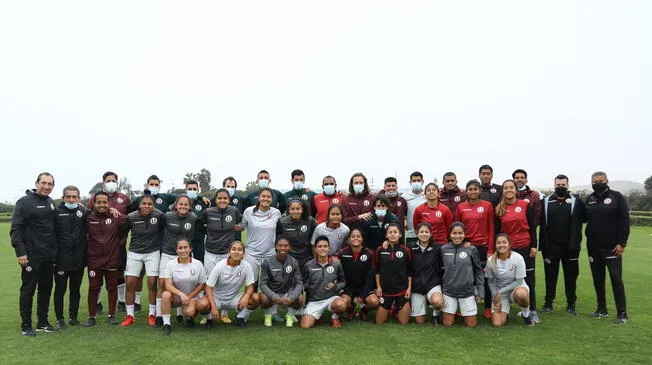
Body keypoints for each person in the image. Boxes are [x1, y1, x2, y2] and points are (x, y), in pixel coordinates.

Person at [11, 172, 58, 336]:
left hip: (48, 256)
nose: (46, 186)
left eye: (50, 184)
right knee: (28, 290)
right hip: (31, 256)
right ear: (36, 183)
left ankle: (42, 323)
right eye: (43, 183)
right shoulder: (24, 202)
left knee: (45, 289)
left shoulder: (51, 203)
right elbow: (16, 229)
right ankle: (26, 325)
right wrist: (21, 252)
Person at [584, 171, 630, 324]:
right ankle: (601, 309)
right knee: (598, 279)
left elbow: (624, 220)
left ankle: (622, 314)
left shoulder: (616, 197)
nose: (598, 183)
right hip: (593, 247)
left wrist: (621, 243)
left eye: (600, 180)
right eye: (595, 181)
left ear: (607, 181)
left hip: (612, 247)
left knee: (616, 279)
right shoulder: (590, 199)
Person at [495, 179, 539, 323]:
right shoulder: (499, 209)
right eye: (505, 188)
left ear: (516, 189)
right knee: (507, 277)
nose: (508, 190)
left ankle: (532, 310)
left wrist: (534, 245)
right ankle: (505, 306)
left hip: (525, 247)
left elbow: (533, 227)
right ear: (503, 191)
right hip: (508, 249)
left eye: (511, 187)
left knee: (529, 279)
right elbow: (498, 231)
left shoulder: (525, 205)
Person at [539, 174, 585, 315]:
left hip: (570, 248)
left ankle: (571, 305)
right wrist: (543, 246)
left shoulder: (576, 202)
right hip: (551, 247)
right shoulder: (546, 201)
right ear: (554, 186)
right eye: (558, 185)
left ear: (568, 185)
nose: (560, 187)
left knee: (571, 277)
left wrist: (576, 242)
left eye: (563, 185)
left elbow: (584, 219)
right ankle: (548, 304)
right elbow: (541, 223)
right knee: (550, 277)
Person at [87, 171, 131, 313]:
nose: (111, 182)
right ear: (104, 182)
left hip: (118, 245)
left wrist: (124, 236)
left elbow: (129, 219)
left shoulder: (124, 199)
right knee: (98, 275)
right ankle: (98, 303)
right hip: (98, 246)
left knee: (119, 273)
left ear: (117, 182)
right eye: (108, 180)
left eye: (114, 180)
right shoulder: (94, 198)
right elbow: (88, 217)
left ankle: (122, 301)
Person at [119, 192, 166, 327]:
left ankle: (152, 314)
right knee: (130, 284)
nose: (147, 206)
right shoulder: (131, 217)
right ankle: (130, 315)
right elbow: (122, 233)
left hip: (153, 252)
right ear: (139, 204)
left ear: (154, 205)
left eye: (150, 204)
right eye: (144, 203)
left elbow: (163, 229)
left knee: (152, 283)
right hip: (135, 252)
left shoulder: (159, 216)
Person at [199, 188, 243, 324]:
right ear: (215, 200)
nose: (222, 201)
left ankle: (224, 312)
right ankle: (206, 315)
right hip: (211, 252)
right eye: (220, 198)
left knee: (225, 282)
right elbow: (199, 224)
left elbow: (242, 223)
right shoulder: (208, 212)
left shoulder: (234, 211)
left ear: (229, 200)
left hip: (226, 253)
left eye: (225, 198)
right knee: (208, 281)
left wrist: (237, 228)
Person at [84, 192, 128, 326]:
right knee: (93, 288)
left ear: (109, 203)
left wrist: (118, 212)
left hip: (112, 259)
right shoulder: (87, 218)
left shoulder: (115, 217)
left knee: (112, 288)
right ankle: (91, 317)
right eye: (99, 202)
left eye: (104, 202)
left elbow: (129, 220)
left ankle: (111, 315)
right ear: (94, 203)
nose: (102, 205)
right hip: (94, 261)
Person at [156, 195, 199, 326]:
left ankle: (180, 313)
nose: (183, 207)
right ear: (176, 205)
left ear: (190, 207)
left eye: (186, 205)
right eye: (181, 204)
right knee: (163, 283)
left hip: (185, 254)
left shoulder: (193, 218)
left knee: (183, 282)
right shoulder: (167, 216)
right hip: (169, 253)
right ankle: (159, 314)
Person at [455, 179, 495, 318]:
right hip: (467, 247)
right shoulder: (461, 207)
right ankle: (466, 307)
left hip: (483, 247)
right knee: (467, 278)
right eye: (470, 189)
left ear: (480, 191)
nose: (472, 192)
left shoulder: (487, 206)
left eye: (475, 189)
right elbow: (458, 229)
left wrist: (490, 249)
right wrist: (463, 243)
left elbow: (491, 228)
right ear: (466, 191)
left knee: (486, 278)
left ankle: (488, 307)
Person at [53, 185, 90, 329]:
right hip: (61, 260)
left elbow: (99, 214)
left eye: (74, 197)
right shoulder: (56, 212)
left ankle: (73, 318)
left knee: (75, 290)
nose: (71, 199)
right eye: (68, 196)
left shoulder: (83, 211)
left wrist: (111, 209)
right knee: (60, 290)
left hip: (79, 260)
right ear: (63, 198)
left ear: (79, 198)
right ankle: (59, 319)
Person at [160, 239, 211, 335]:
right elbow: (168, 285)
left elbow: (202, 284)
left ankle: (190, 318)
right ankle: (166, 324)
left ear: (190, 249)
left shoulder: (198, 264)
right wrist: (181, 294)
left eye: (185, 247)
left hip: (192, 297)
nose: (183, 250)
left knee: (190, 312)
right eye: (180, 248)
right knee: (165, 295)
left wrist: (189, 296)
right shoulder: (171, 264)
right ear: (176, 250)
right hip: (177, 297)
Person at [205, 241, 260, 328]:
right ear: (229, 252)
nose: (236, 252)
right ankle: (209, 319)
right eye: (233, 249)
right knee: (201, 304)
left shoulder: (247, 266)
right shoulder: (220, 265)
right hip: (217, 298)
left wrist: (246, 296)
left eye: (239, 250)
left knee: (255, 298)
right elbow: (208, 287)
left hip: (234, 298)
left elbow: (250, 287)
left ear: (243, 253)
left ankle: (240, 317)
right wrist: (213, 306)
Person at [440, 222, 484, 327]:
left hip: (467, 292)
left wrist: (480, 291)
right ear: (450, 234)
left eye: (460, 233)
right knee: (447, 323)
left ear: (464, 234)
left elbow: (479, 270)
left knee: (471, 325)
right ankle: (453, 312)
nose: (457, 236)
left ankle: (462, 312)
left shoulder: (471, 249)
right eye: (454, 233)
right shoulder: (443, 249)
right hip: (449, 291)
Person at [485, 234, 535, 327]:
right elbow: (490, 281)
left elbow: (519, 281)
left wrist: (499, 292)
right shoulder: (491, 260)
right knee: (497, 323)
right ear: (495, 245)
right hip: (500, 293)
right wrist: (496, 297)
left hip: (515, 289)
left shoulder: (518, 258)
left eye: (504, 242)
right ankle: (506, 311)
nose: (501, 245)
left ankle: (526, 315)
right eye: (498, 243)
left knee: (522, 294)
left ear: (509, 244)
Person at [300, 236, 347, 329]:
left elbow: (343, 281)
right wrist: (310, 287)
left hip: (331, 298)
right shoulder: (309, 265)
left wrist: (335, 287)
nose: (322, 248)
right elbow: (303, 283)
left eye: (325, 246)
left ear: (329, 249)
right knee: (305, 326)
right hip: (315, 301)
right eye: (320, 246)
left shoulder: (336, 264)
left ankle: (335, 317)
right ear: (315, 249)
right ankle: (316, 315)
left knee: (341, 305)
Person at [239, 188, 282, 283]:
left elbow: (280, 231)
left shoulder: (276, 213)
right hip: (252, 254)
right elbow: (241, 227)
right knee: (251, 285)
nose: (265, 199)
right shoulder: (248, 211)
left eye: (268, 197)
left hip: (270, 254)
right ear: (258, 198)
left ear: (272, 199)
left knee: (270, 285)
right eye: (263, 196)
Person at [259, 236, 304, 328]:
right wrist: (274, 296)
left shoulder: (294, 262)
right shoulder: (267, 262)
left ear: (290, 247)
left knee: (300, 299)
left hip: (287, 292)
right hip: (272, 293)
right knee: (263, 298)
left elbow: (299, 283)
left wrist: (291, 297)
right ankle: (268, 316)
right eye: (280, 245)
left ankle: (290, 315)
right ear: (275, 247)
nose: (283, 248)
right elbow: (262, 283)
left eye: (285, 246)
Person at [336, 229, 380, 321]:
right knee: (343, 303)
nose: (356, 238)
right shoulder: (342, 253)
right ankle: (351, 310)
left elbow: (371, 277)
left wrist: (363, 295)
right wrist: (333, 260)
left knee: (374, 302)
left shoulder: (370, 253)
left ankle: (363, 311)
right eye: (353, 236)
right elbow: (333, 262)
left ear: (362, 239)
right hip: (348, 288)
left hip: (364, 287)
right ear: (348, 239)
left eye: (358, 236)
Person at [374, 223, 412, 325]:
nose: (393, 234)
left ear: (400, 234)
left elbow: (409, 271)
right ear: (386, 235)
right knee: (379, 322)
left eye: (395, 232)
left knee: (403, 322)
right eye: (390, 232)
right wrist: (378, 287)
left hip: (401, 290)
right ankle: (390, 307)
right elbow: (377, 271)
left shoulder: (406, 250)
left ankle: (396, 308)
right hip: (385, 290)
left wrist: (409, 288)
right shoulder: (380, 250)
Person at [408, 223, 444, 325]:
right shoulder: (410, 248)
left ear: (431, 234)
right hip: (417, 286)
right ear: (416, 233)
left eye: (427, 232)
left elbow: (453, 246)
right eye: (421, 232)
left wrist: (465, 243)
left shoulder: (438, 248)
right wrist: (386, 243)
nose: (424, 234)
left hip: (432, 284)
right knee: (420, 321)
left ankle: (436, 314)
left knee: (437, 302)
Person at [277, 199, 317, 283]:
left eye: (298, 209)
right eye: (293, 209)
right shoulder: (282, 222)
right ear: (289, 210)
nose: (295, 211)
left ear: (302, 209)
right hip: (289, 258)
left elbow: (314, 240)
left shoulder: (310, 221)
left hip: (306, 258)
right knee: (291, 283)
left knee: (307, 283)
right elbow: (278, 241)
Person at [185, 179, 209, 264]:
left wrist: (201, 197)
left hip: (199, 238)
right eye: (190, 189)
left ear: (198, 190)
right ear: (186, 190)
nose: (192, 191)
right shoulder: (181, 202)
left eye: (194, 189)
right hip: (184, 239)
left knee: (199, 264)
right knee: (185, 264)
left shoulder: (203, 202)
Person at [402, 171, 426, 245]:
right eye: (414, 181)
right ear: (410, 182)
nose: (416, 182)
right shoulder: (405, 197)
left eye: (418, 180)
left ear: (422, 181)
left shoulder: (427, 195)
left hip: (426, 234)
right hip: (411, 234)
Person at [223, 176, 245, 242]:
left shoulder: (241, 200)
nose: (230, 188)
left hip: (236, 236)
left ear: (235, 188)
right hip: (221, 236)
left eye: (232, 187)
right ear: (224, 187)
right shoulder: (216, 200)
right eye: (228, 186)